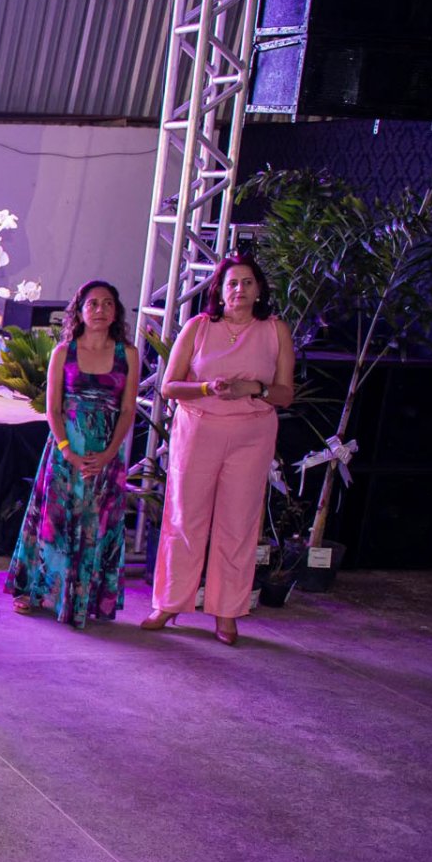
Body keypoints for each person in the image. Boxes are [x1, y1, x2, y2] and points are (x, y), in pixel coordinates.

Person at [145, 254, 295, 645]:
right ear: (220, 290)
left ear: (259, 290)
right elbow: (169, 387)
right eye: (232, 283)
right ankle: (169, 603)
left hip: (251, 436)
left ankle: (227, 612)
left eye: (247, 282)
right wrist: (207, 388)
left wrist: (254, 389)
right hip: (198, 431)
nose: (239, 289)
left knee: (238, 524)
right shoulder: (198, 326)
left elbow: (285, 394)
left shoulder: (275, 330)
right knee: (185, 517)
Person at [4, 280, 140, 629]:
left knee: (97, 524)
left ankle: (86, 598)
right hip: (65, 451)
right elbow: (52, 409)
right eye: (92, 304)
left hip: (106, 453)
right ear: (79, 311)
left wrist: (110, 453)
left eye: (107, 304)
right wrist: (68, 450)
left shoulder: (128, 354)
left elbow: (128, 410)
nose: (100, 310)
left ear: (116, 312)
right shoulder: (64, 352)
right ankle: (37, 592)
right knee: (55, 521)